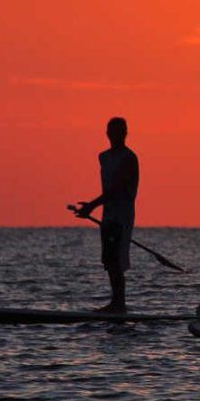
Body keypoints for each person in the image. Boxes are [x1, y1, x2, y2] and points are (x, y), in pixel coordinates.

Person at [74, 117, 139, 312]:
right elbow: (109, 189)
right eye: (114, 131)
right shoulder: (104, 157)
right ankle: (115, 302)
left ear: (126, 133)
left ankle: (119, 304)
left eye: (121, 131)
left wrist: (92, 205)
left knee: (117, 261)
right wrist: (92, 207)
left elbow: (118, 188)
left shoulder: (129, 158)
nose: (118, 135)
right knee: (109, 260)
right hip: (108, 216)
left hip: (122, 217)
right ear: (107, 133)